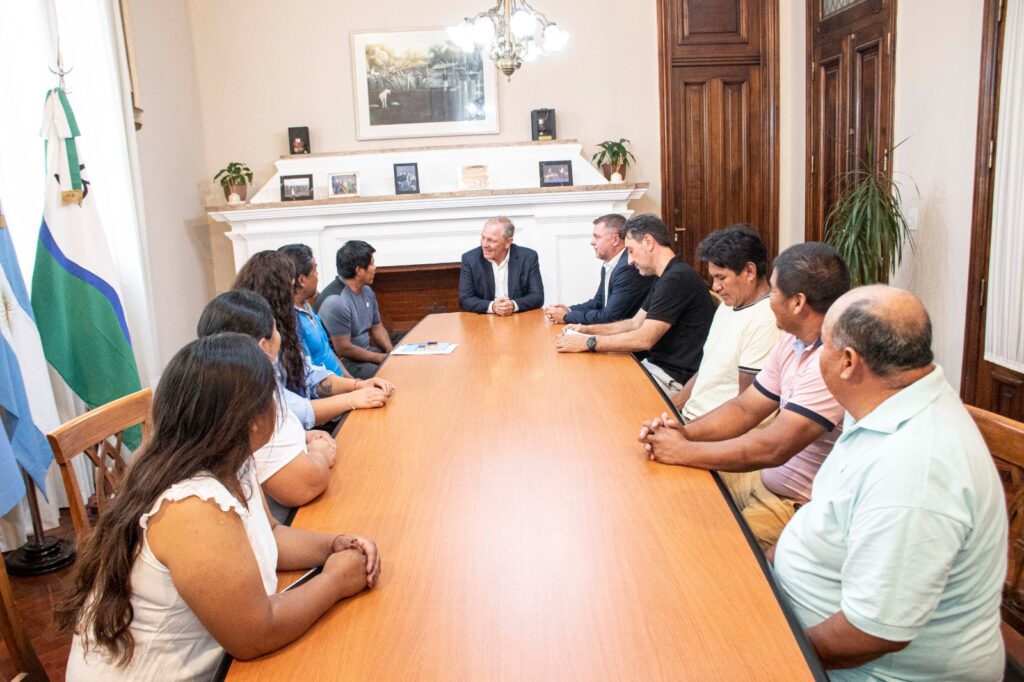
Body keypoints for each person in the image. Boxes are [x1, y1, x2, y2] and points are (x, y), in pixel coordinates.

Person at [58, 334, 381, 680]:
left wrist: (332, 545)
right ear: (253, 420)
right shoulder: (192, 507)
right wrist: (334, 581)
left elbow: (268, 535)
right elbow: (256, 633)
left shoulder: (229, 458)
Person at [773, 285, 1006, 680]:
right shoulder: (888, 399)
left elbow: (872, 633)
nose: (816, 358)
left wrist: (772, 649)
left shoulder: (914, 470)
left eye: (822, 346)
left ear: (848, 362)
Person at [639, 242, 850, 549]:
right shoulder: (793, 342)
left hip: (792, 502)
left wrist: (682, 451)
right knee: (664, 501)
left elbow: (773, 447)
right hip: (763, 478)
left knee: (694, 545)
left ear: (798, 302)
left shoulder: (831, 361)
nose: (769, 299)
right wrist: (682, 433)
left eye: (775, 291)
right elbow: (744, 408)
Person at [198, 290, 335, 508]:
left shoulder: (218, 382)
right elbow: (302, 486)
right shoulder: (249, 401)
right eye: (276, 328)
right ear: (264, 347)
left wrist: (305, 436)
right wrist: (320, 453)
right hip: (288, 514)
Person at [555, 214, 715, 394]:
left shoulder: (677, 278)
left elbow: (644, 339)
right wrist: (587, 330)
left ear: (648, 242)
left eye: (630, 250)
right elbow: (634, 323)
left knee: (592, 390)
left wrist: (589, 343)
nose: (629, 261)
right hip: (654, 368)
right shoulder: (665, 276)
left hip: (671, 378)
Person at [234, 251, 394, 427]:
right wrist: (351, 399)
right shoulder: (263, 343)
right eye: (290, 286)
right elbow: (290, 409)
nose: (293, 293)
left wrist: (358, 385)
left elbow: (309, 375)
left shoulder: (292, 320)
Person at [672, 225, 780, 421]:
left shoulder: (767, 318)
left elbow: (746, 409)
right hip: (692, 419)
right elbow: (708, 369)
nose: (715, 286)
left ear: (749, 271)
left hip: (718, 433)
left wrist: (686, 432)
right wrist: (670, 407)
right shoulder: (728, 305)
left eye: (721, 278)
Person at [543, 214, 653, 325]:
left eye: (597, 237)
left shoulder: (627, 268)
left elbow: (609, 317)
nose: (592, 242)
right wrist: (568, 310)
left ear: (615, 240)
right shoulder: (609, 265)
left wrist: (567, 316)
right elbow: (598, 302)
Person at [318, 240, 394, 379]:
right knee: (390, 375)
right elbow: (344, 349)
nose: (375, 268)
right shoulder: (336, 301)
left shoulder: (367, 291)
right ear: (359, 270)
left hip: (366, 352)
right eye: (371, 264)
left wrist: (390, 352)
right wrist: (380, 358)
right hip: (346, 362)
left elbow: (377, 327)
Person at [277, 243, 346, 377]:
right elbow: (311, 378)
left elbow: (328, 352)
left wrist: (355, 382)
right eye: (315, 270)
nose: (317, 275)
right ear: (302, 280)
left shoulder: (307, 306)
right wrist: (353, 389)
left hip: (343, 385)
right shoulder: (291, 322)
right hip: (329, 393)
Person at [459, 216, 544, 315]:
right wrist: (492, 307)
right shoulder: (470, 259)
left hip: (519, 318)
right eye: (483, 238)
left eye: (491, 240)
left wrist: (513, 305)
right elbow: (465, 299)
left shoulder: (528, 257)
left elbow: (537, 296)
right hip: (485, 320)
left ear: (507, 242)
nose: (484, 244)